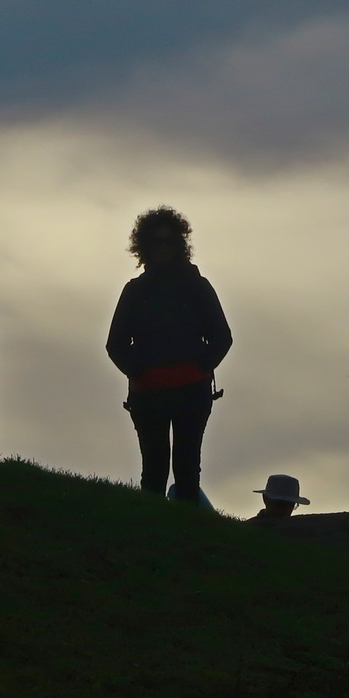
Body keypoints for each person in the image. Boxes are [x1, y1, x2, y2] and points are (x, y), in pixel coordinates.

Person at [106, 206, 232, 503]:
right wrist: (140, 372)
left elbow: (222, 336)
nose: (162, 248)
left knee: (187, 468)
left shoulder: (197, 287)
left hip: (192, 391)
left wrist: (200, 365)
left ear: (179, 244)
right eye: (155, 242)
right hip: (149, 393)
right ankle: (154, 526)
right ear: (144, 247)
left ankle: (184, 526)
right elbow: (115, 344)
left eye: (167, 241)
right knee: (154, 469)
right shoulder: (135, 291)